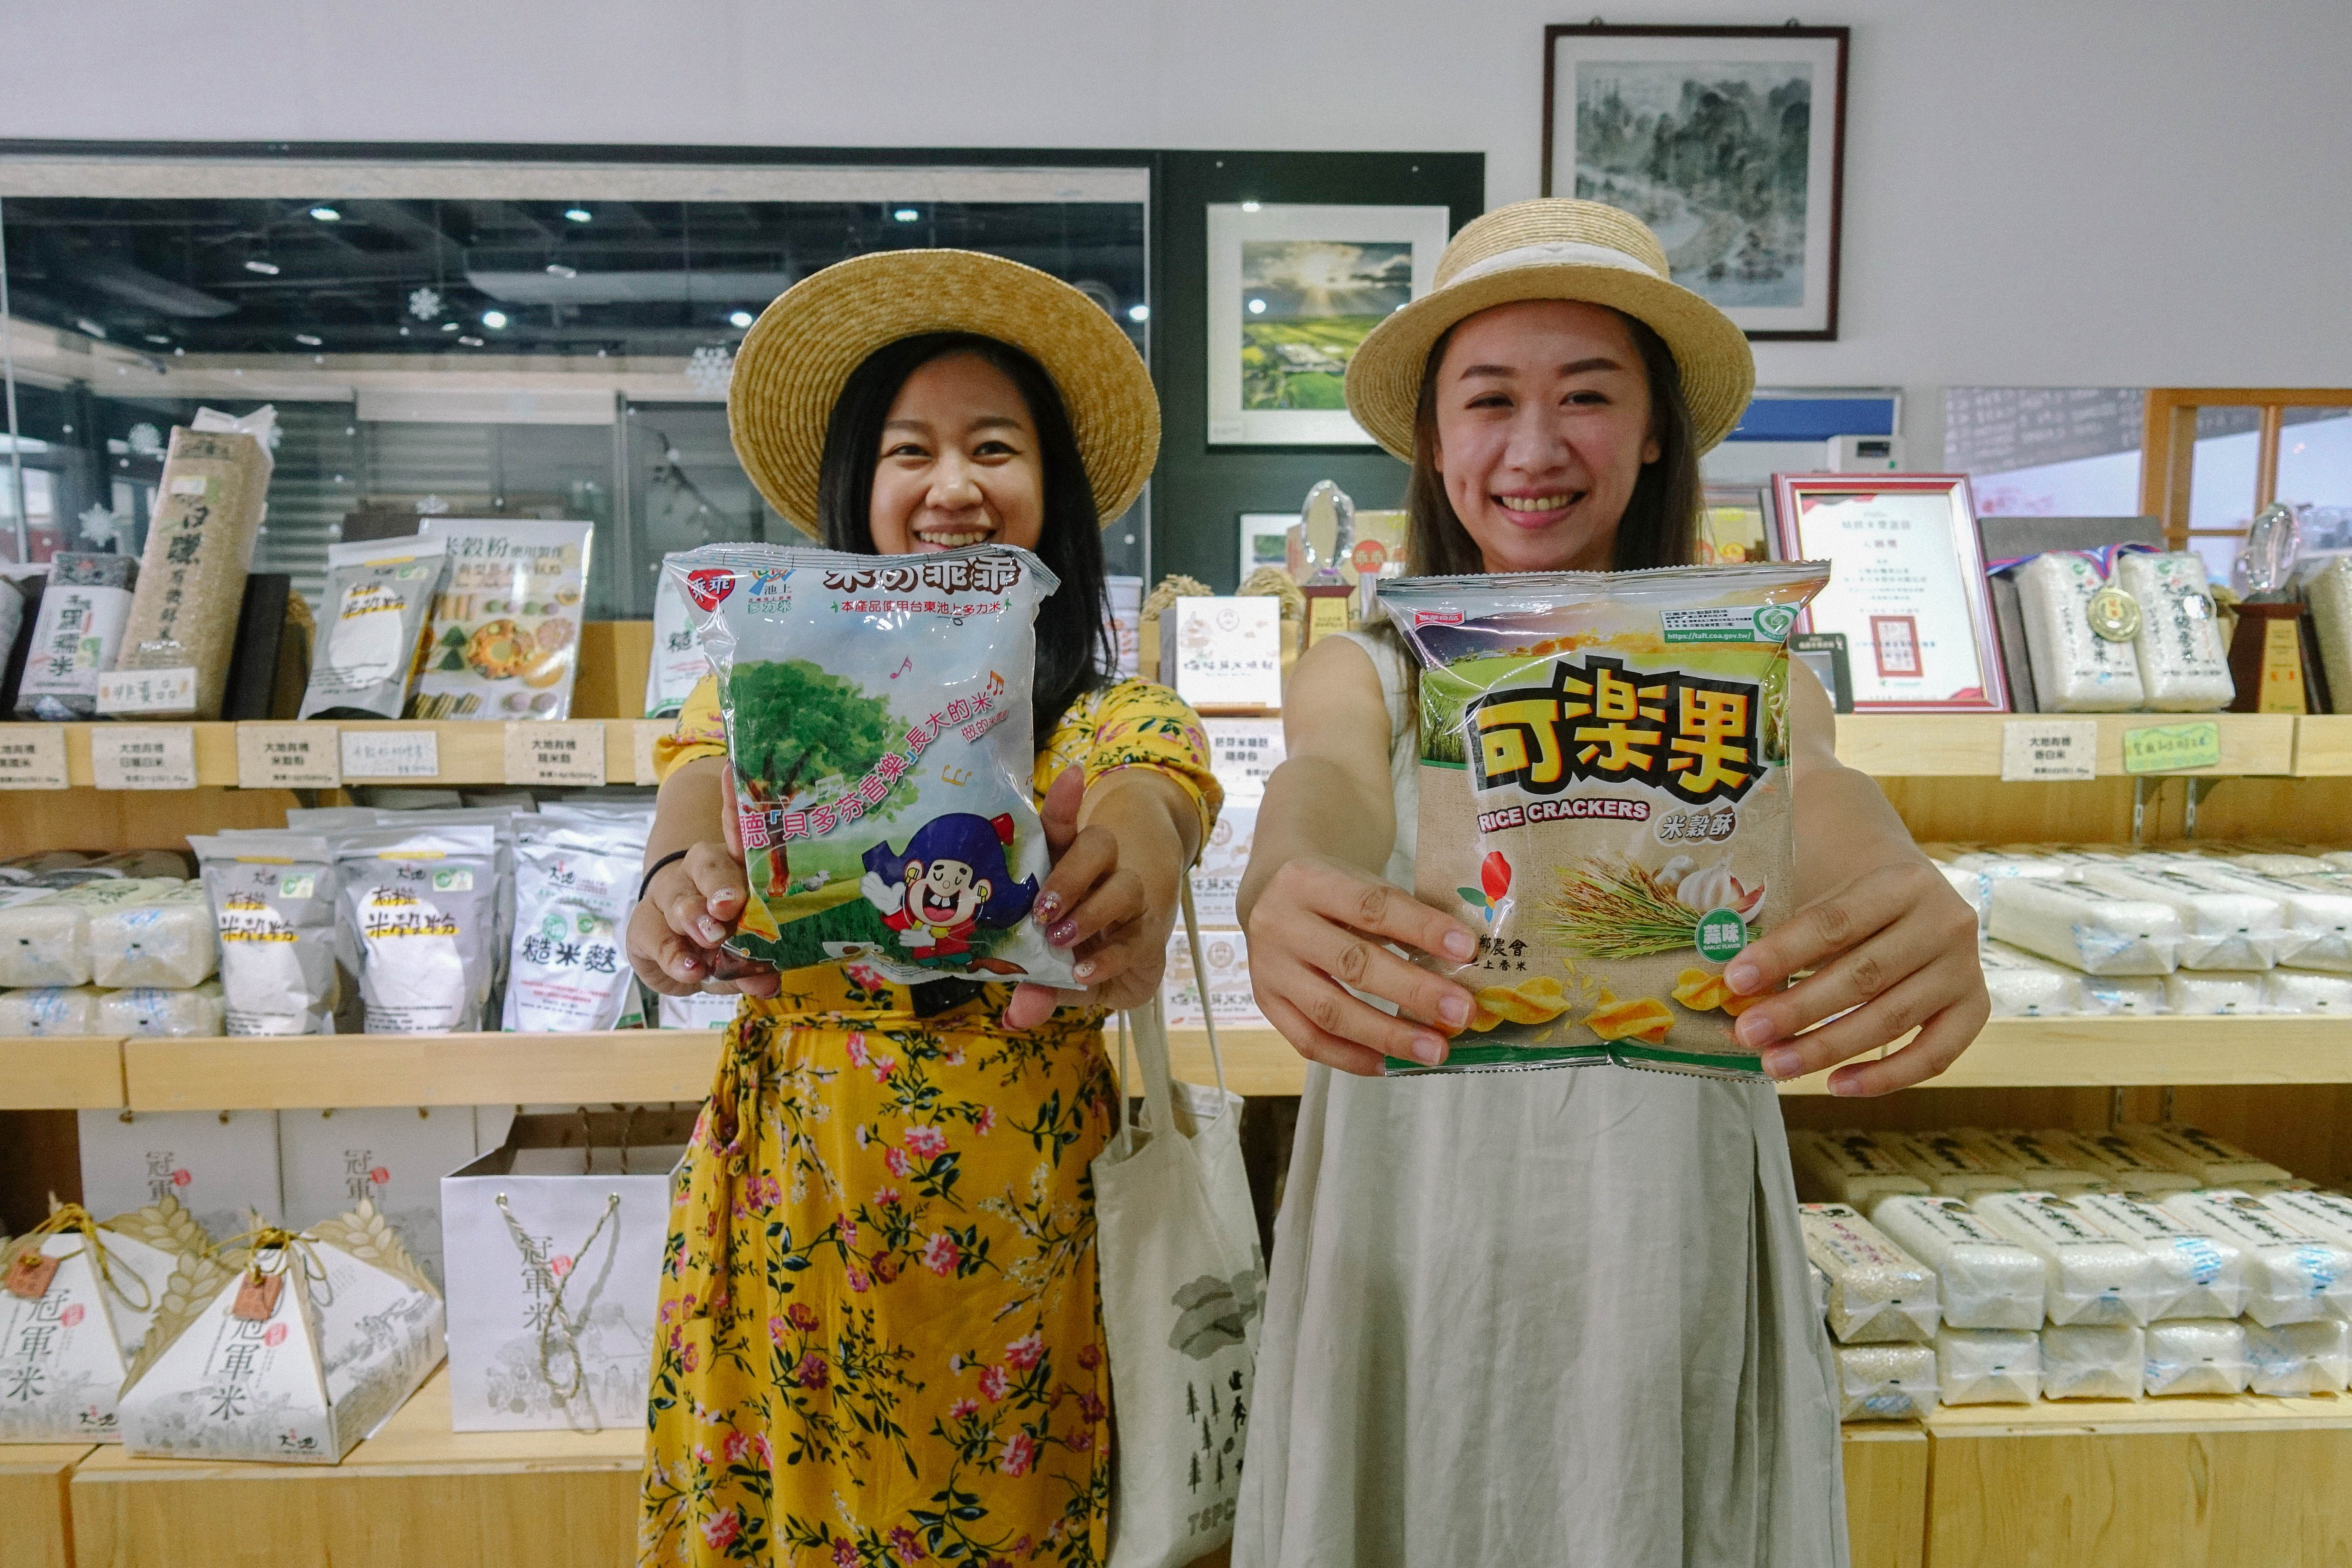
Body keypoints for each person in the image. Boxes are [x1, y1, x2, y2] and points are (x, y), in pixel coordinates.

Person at [1232, 200, 1989, 1568]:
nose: (1535, 450)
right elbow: (1328, 780)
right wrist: (1284, 876)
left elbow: (1811, 781)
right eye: (1489, 402)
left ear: (1654, 432)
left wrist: (1898, 883)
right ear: (1434, 440)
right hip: (1417, 1211)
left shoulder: (1743, 674)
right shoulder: (1373, 664)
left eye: (1587, 396)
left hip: (1660, 1209)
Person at [627, 249, 1222, 1568]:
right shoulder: (757, 700)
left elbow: (1153, 801)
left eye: (994, 448)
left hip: (1029, 1221)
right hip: (790, 1197)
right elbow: (687, 811)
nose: (953, 486)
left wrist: (1130, 853)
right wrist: (674, 894)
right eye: (912, 451)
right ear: (859, 490)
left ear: (1053, 498)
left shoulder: (1112, 717)